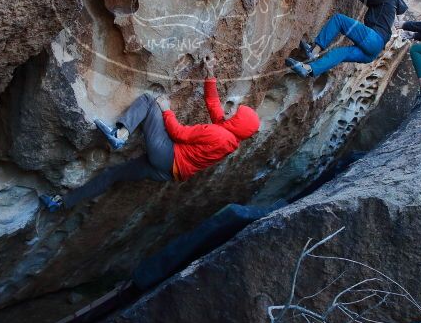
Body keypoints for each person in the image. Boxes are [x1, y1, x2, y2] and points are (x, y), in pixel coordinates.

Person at [40, 54, 260, 212]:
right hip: (166, 172)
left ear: (238, 123)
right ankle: (61, 203)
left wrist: (166, 111)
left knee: (147, 100)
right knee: (111, 175)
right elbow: (213, 103)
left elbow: (179, 133)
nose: (229, 109)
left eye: (234, 112)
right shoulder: (229, 137)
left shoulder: (218, 134)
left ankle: (120, 135)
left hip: (167, 155)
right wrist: (210, 73)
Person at [285, 0, 408, 77]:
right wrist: (400, 21)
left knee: (339, 19)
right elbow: (400, 6)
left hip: (374, 39)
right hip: (373, 52)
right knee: (339, 53)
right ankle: (307, 69)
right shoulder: (390, 1)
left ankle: (313, 52)